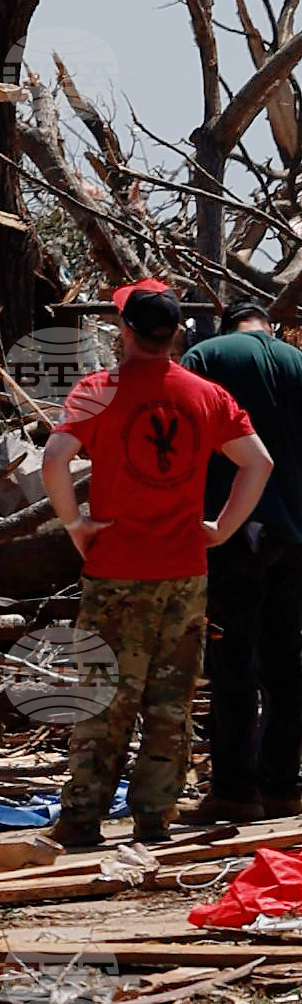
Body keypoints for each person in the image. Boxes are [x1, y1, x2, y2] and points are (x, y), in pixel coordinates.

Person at [41, 281, 271, 849]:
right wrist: (222, 528)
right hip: (185, 570)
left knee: (106, 695)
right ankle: (154, 819)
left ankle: (82, 817)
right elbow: (258, 463)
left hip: (116, 565)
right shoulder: (206, 395)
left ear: (124, 330)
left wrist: (76, 526)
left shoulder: (99, 390)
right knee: (170, 702)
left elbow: (54, 459)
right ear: (174, 335)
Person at [179, 299, 302, 822]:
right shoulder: (297, 361)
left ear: (228, 327)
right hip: (293, 533)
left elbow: (176, 436)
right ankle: (282, 784)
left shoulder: (205, 356)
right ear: (269, 329)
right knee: (285, 660)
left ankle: (233, 789)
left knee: (231, 658)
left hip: (226, 528)